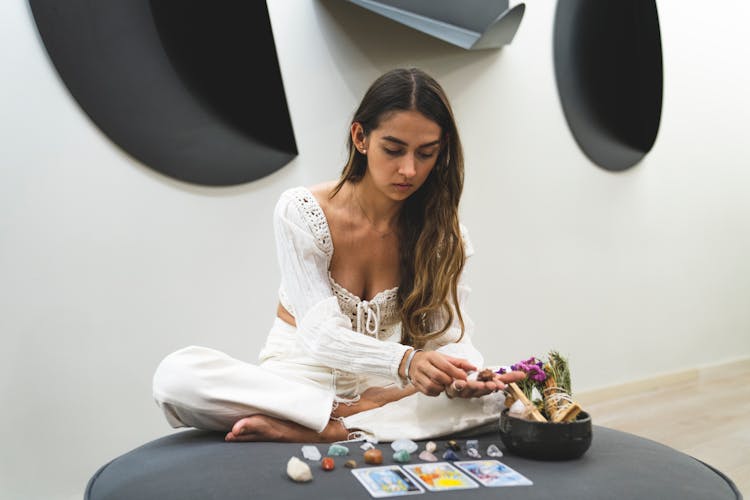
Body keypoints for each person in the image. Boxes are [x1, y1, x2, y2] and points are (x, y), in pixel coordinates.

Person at [153, 68, 524, 443]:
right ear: (361, 137)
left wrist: (465, 377)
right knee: (176, 377)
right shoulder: (301, 211)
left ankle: (332, 428)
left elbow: (450, 338)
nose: (409, 169)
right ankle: (341, 418)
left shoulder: (444, 235)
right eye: (393, 150)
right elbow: (320, 335)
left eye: (426, 153)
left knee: (504, 398)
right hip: (297, 382)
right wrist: (406, 362)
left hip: (384, 390)